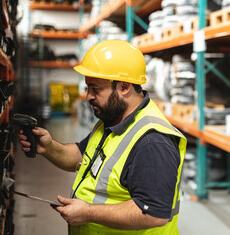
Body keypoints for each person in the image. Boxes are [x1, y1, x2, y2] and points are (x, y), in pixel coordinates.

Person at [18, 40, 187, 234]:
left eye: (95, 89)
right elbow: (84, 157)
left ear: (124, 87)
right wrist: (48, 147)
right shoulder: (113, 119)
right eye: (87, 88)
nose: (88, 96)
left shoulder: (152, 141)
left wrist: (88, 213)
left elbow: (154, 213)